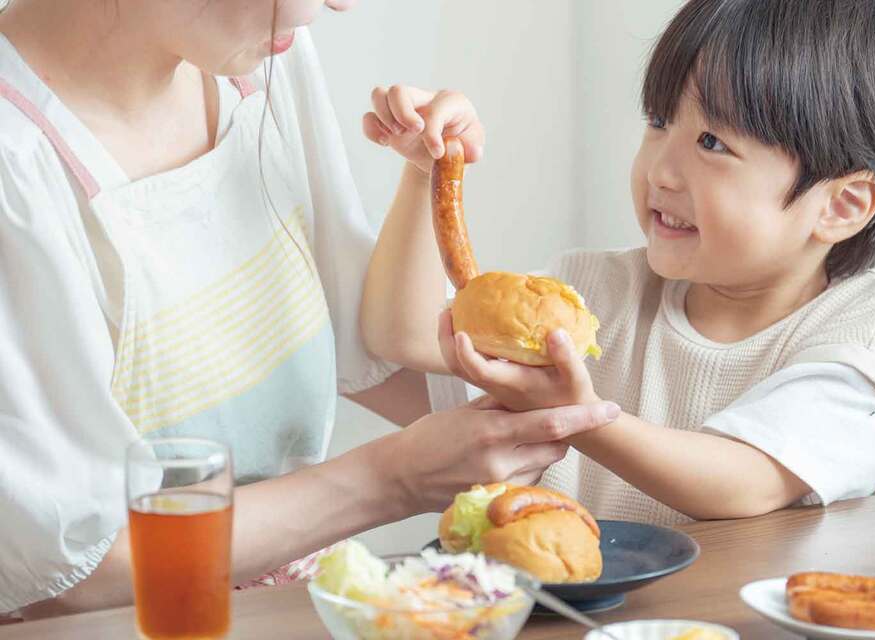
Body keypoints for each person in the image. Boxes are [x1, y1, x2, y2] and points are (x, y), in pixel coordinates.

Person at [0, 0, 620, 618]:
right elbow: (76, 571)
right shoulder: (17, 166)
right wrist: (389, 480)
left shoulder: (260, 63)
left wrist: (425, 177)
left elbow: (370, 352)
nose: (339, 3)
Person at [363, 0, 875, 524]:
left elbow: (749, 479)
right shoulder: (591, 292)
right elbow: (406, 336)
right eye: (658, 122)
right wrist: (429, 171)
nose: (659, 171)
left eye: (712, 144)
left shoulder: (871, 326)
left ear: (841, 204)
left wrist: (578, 417)